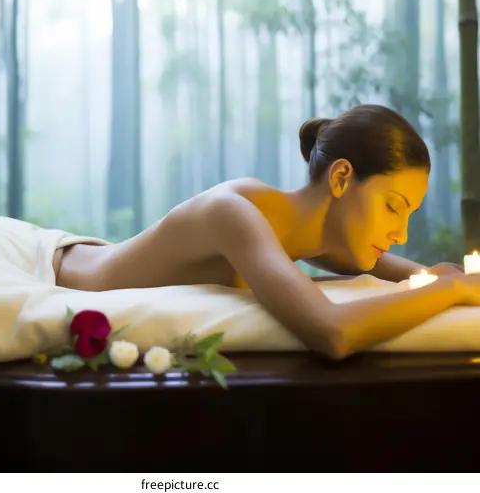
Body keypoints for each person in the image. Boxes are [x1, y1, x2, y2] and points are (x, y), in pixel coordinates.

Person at [54, 103, 480, 360]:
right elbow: (333, 333)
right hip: (53, 265)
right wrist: (454, 291)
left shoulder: (316, 237)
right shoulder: (234, 215)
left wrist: (443, 277)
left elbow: (406, 272)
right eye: (393, 207)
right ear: (341, 178)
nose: (401, 232)